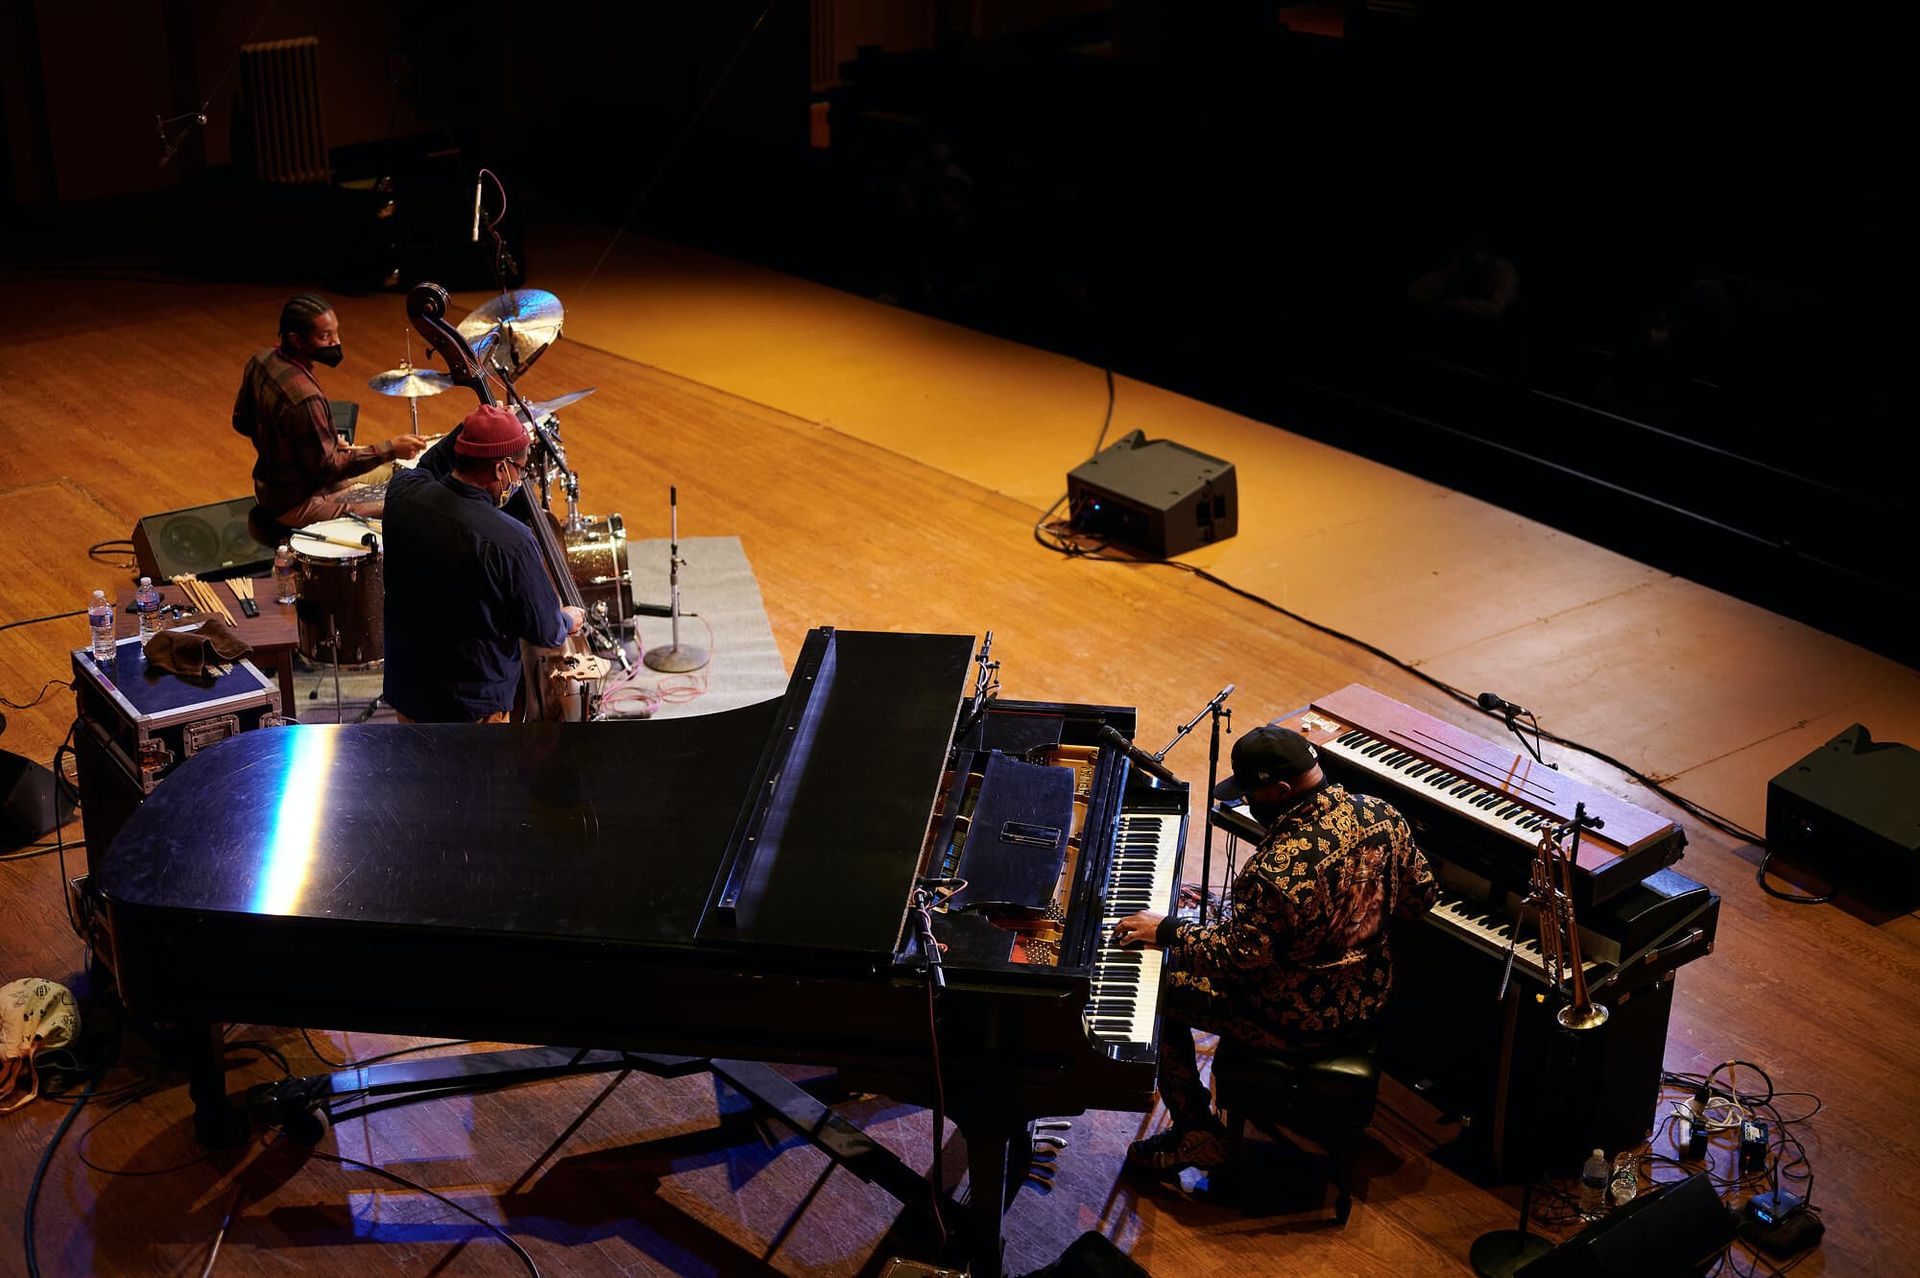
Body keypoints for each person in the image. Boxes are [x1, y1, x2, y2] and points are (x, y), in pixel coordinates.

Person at [1112, 724, 1436, 1174]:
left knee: (1155, 993)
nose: (1247, 802)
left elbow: (1238, 958)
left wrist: (1168, 930)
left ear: (1281, 789)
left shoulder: (1274, 871)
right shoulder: (1382, 815)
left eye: (1252, 794)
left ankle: (1196, 1134)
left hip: (1294, 1018)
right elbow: (1420, 898)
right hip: (1369, 995)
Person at [380, 403, 584, 724]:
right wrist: (567, 621)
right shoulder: (511, 540)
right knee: (478, 776)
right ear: (501, 469)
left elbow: (429, 463)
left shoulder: (402, 493)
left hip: (409, 692)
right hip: (471, 707)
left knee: (420, 773)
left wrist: (476, 426)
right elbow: (543, 629)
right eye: (521, 468)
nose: (520, 477)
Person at [232, 293, 428, 525]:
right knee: (405, 506)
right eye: (325, 336)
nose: (336, 341)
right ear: (296, 339)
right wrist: (391, 448)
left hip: (268, 485)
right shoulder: (305, 398)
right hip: (297, 502)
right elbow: (328, 470)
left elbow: (241, 421)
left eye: (336, 332)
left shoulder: (261, 360)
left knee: (391, 472)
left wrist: (310, 445)